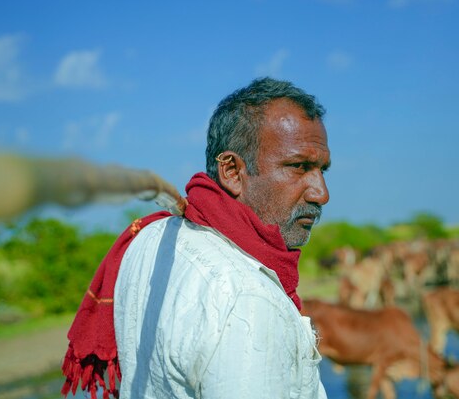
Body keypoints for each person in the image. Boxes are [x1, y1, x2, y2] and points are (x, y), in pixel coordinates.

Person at [61, 77, 331, 399]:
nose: (321, 194)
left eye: (321, 170)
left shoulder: (150, 238)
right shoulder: (249, 301)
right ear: (231, 171)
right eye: (299, 166)